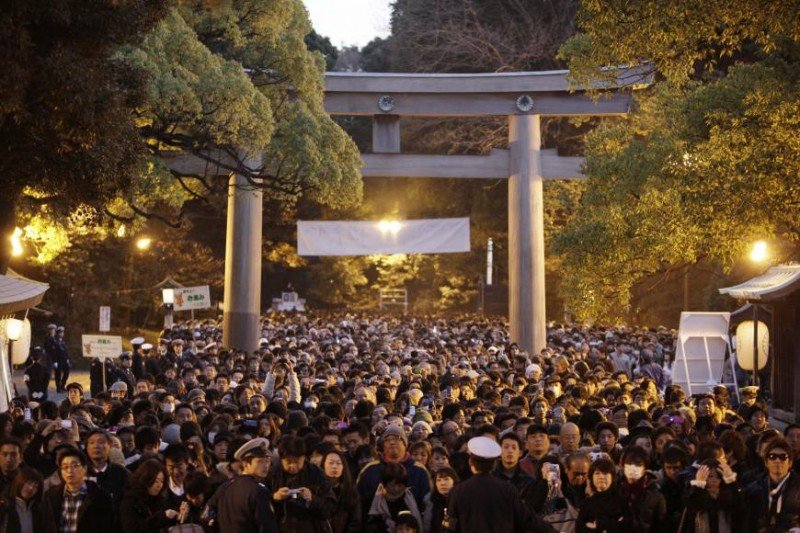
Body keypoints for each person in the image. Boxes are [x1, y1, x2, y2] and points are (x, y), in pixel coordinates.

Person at [446, 436, 548, 532]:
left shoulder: (457, 491)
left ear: (470, 462)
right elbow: (527, 519)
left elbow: (450, 527)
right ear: (494, 463)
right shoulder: (507, 489)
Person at [357, 425, 431, 518]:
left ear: (405, 443)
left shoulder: (419, 470)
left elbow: (428, 503)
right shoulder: (370, 469)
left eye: (397, 438)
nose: (391, 442)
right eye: (387, 440)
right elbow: (357, 501)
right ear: (383, 445)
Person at [208, 437, 279, 533]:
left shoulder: (224, 487)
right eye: (260, 461)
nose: (265, 465)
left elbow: (208, 517)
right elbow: (267, 528)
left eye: (267, 461)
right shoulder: (258, 491)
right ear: (245, 463)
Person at [269, 435, 335, 532]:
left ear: (304, 457)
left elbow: (330, 506)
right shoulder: (272, 474)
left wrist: (312, 499)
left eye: (296, 461)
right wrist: (275, 497)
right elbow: (261, 506)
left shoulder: (316, 473)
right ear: (281, 459)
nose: (293, 466)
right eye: (288, 462)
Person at [41, 447, 114, 533]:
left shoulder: (99, 496)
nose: (69, 470)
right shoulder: (51, 495)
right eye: (65, 467)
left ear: (85, 468)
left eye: (75, 466)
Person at [744, 437, 800, 531]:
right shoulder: (753, 489)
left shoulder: (798, 486)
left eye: (783, 457)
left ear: (790, 462)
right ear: (766, 462)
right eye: (772, 457)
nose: (777, 461)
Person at [120, 458, 185, 533]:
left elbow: (165, 524)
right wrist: (162, 517)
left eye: (162, 481)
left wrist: (177, 517)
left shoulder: (159, 499)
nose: (159, 485)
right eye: (156, 481)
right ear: (146, 479)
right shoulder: (129, 501)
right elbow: (133, 528)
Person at [682, 458, 743, 533]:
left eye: (718, 476)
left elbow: (740, 512)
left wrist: (731, 482)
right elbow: (693, 508)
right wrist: (698, 485)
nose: (714, 480)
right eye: (710, 476)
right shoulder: (695, 493)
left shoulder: (728, 496)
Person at [618, 446, 667, 532]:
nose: (633, 469)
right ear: (623, 466)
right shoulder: (616, 489)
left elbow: (661, 525)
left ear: (645, 468)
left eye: (638, 465)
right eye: (629, 464)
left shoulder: (655, 494)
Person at [365, 462, 423, 533]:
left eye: (399, 485)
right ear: (385, 484)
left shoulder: (410, 497)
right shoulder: (373, 498)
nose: (396, 489)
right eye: (392, 485)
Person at [576, 458, 625, 533]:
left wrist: (598, 525)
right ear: (591, 477)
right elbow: (580, 529)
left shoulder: (622, 501)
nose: (601, 477)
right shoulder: (586, 504)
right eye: (597, 473)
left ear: (613, 477)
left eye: (605, 473)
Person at [322, 450, 361, 533]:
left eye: (338, 463)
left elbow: (355, 520)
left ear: (343, 467)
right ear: (323, 465)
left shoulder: (351, 490)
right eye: (331, 463)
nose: (334, 466)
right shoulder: (317, 489)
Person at [3, 466, 45, 533]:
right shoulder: (5, 505)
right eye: (29, 483)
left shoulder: (36, 509)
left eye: (36, 487)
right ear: (20, 481)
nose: (31, 488)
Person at [422, 466, 458, 533]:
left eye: (446, 479)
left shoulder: (461, 500)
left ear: (454, 481)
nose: (442, 483)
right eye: (438, 480)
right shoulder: (431, 501)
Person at [51, 326, 70, 393]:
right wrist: (55, 361)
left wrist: (67, 359)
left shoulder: (62, 342)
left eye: (62, 332)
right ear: (58, 333)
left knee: (66, 373)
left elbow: (66, 351)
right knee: (58, 375)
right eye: (60, 333)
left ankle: (62, 386)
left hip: (64, 360)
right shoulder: (55, 341)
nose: (62, 334)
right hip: (58, 361)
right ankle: (58, 388)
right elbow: (53, 352)